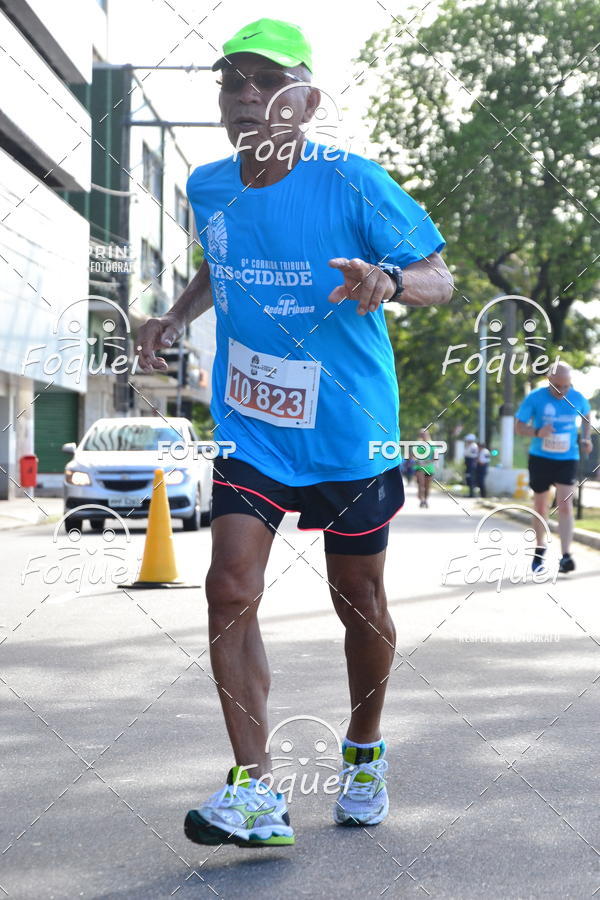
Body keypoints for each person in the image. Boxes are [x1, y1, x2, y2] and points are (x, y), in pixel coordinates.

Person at [136, 18, 452, 848]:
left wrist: (388, 280)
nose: (248, 96)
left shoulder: (354, 182)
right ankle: (257, 790)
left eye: (269, 82)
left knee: (360, 601)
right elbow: (220, 259)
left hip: (350, 427)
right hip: (253, 425)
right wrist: (173, 316)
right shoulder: (209, 185)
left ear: (306, 102)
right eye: (233, 82)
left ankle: (364, 751)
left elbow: (440, 278)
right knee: (228, 586)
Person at [515, 362, 592, 573]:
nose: (562, 391)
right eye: (557, 386)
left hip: (567, 458)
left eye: (566, 386)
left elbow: (587, 416)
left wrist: (586, 438)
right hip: (540, 458)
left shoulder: (577, 397)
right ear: (548, 380)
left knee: (565, 505)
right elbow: (519, 427)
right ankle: (539, 550)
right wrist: (537, 432)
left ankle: (566, 556)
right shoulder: (535, 398)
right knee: (541, 507)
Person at [414, 428, 436, 508]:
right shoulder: (417, 444)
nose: (423, 436)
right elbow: (413, 455)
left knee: (427, 486)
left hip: (429, 468)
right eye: (422, 434)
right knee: (421, 484)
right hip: (419, 468)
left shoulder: (432, 444)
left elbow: (435, 457)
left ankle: (425, 500)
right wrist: (417, 460)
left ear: (428, 435)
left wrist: (427, 462)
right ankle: (422, 500)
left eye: (424, 434)